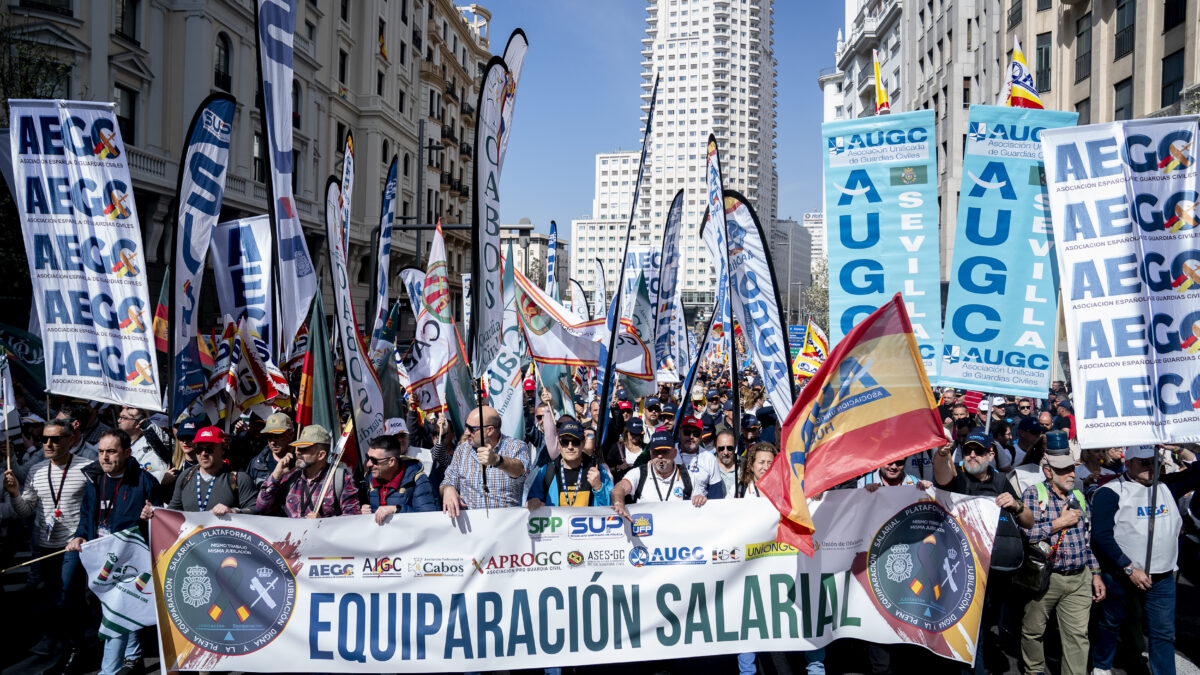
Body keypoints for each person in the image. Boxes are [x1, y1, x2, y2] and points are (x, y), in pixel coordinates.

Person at [1090, 445, 1200, 675]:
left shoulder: (1167, 485)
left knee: (1163, 632)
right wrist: (1128, 567)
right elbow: (1101, 535)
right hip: (1122, 575)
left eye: (1155, 462)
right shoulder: (1111, 492)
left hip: (1162, 576)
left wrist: (1181, 450)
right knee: (1112, 623)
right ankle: (1102, 665)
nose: (1152, 468)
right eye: (1144, 462)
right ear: (1128, 463)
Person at [934, 428, 1030, 675]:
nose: (972, 455)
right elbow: (942, 476)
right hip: (962, 571)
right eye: (968, 451)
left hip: (996, 574)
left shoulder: (1000, 481)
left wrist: (1016, 504)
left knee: (984, 627)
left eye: (978, 451)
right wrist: (941, 454)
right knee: (970, 631)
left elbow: (1029, 521)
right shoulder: (959, 479)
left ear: (990, 455)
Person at [66, 429, 158, 675]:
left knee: (116, 614)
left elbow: (161, 522)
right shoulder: (94, 477)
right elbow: (87, 515)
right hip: (100, 557)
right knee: (118, 609)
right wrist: (80, 534)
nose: (104, 457)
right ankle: (133, 655)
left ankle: (110, 671)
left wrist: (150, 517)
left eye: (111, 452)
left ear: (127, 453)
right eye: (101, 452)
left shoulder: (146, 482)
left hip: (130, 560)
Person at [4, 418, 92, 666]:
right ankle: (69, 643)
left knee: (67, 596)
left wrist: (86, 534)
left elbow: (95, 506)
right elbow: (24, 510)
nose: (49, 444)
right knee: (56, 599)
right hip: (45, 545)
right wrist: (14, 495)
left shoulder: (87, 467)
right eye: (45, 439)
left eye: (55, 439)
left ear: (70, 440)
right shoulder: (36, 470)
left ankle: (72, 650)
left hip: (74, 544)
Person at [1018, 432, 1104, 675]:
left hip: (1079, 577)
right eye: (1064, 470)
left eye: (1072, 468)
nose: (1071, 474)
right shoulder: (1034, 494)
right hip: (1047, 578)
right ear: (1048, 472)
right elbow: (1027, 535)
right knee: (1033, 631)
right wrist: (1059, 522)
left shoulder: (1078, 495)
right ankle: (1034, 671)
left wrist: (1095, 573)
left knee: (1077, 636)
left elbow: (1086, 540)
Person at [441, 406, 531, 517]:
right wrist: (448, 489)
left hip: (505, 526)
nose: (466, 432)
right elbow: (447, 481)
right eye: (466, 426)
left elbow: (520, 471)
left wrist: (497, 461)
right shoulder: (462, 450)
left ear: (490, 430)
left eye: (471, 428)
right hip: (471, 527)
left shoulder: (516, 446)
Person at [256, 424, 361, 518]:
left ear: (321, 455)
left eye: (304, 449)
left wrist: (323, 523)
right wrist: (276, 475)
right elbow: (262, 508)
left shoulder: (340, 478)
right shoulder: (291, 477)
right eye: (298, 448)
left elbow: (352, 519)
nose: (298, 452)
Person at [611, 431, 708, 518]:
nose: (660, 456)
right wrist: (619, 502)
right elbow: (620, 488)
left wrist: (699, 499)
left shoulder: (688, 476)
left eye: (665, 451)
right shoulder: (639, 473)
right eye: (656, 452)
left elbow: (700, 500)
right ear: (650, 453)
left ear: (674, 453)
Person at [166, 426, 257, 514]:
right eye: (199, 449)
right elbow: (173, 512)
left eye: (209, 449)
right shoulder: (185, 476)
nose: (203, 454)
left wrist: (234, 511)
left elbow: (255, 509)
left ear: (223, 449)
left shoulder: (239, 479)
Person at [527, 419, 613, 508]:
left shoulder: (597, 470)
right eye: (565, 442)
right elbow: (533, 501)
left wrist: (599, 488)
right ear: (559, 445)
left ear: (583, 443)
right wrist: (533, 501)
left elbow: (611, 508)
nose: (570, 447)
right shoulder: (547, 471)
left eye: (575, 442)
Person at [360, 435, 436, 524]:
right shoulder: (368, 478)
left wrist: (397, 509)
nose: (368, 464)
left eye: (374, 460)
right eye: (368, 458)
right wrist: (365, 511)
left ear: (391, 461)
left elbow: (428, 518)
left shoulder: (417, 479)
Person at [115, 407, 171, 482]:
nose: (118, 420)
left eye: (124, 418)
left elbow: (161, 440)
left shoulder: (161, 446)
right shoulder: (122, 445)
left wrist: (139, 417)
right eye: (120, 417)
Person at [677, 415, 724, 498]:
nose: (691, 437)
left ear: (701, 435)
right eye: (687, 432)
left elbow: (716, 494)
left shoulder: (710, 458)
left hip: (700, 509)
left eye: (696, 434)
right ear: (680, 432)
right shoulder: (669, 453)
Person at [247, 411, 296, 487]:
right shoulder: (256, 464)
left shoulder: (301, 462)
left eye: (277, 436)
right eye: (269, 436)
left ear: (291, 435)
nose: (272, 442)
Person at [607, 417, 646, 483]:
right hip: (622, 486)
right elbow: (607, 470)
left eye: (638, 434)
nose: (636, 436)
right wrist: (617, 468)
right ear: (626, 431)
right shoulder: (616, 447)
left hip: (641, 485)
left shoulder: (645, 448)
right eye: (633, 433)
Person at [714, 430, 739, 497]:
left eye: (730, 448)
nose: (725, 452)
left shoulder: (743, 467)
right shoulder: (709, 467)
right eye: (721, 448)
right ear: (715, 448)